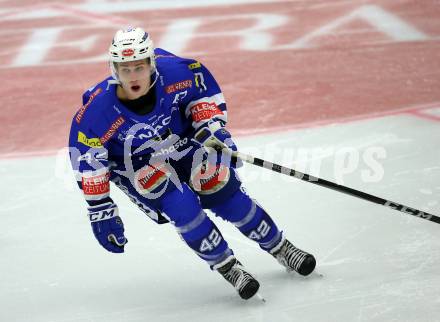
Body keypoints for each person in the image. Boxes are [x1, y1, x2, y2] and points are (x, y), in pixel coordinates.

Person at [68, 27, 316, 300]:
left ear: (152, 63)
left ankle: (280, 247)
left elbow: (201, 101)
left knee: (223, 191)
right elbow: (89, 162)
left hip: (182, 141)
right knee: (181, 205)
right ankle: (227, 265)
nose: (133, 76)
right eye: (125, 69)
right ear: (114, 69)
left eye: (139, 67)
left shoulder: (178, 72)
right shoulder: (96, 112)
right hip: (135, 162)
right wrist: (101, 208)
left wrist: (212, 131)